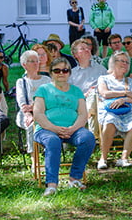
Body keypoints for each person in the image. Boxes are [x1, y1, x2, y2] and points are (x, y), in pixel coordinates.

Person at [32, 58, 96, 196]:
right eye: (57, 70)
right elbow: (38, 114)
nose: (61, 73)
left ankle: (74, 178)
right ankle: (52, 185)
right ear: (51, 73)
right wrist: (54, 128)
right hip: (46, 129)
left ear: (69, 73)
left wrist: (72, 129)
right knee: (52, 141)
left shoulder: (76, 91)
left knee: (88, 138)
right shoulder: (43, 90)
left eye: (65, 70)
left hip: (73, 129)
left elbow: (83, 114)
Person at [95, 52, 132, 170]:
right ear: (113, 63)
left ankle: (124, 158)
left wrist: (124, 99)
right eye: (121, 61)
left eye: (127, 62)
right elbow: (104, 93)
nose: (125, 64)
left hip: (128, 110)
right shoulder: (104, 78)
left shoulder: (131, 81)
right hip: (110, 110)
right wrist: (124, 94)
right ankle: (103, 158)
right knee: (110, 120)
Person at [14, 50, 51, 134]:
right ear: (24, 65)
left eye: (37, 61)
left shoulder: (46, 80)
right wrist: (28, 114)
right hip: (26, 113)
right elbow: (22, 101)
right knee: (32, 125)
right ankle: (31, 148)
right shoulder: (21, 82)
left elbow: (50, 98)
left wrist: (34, 106)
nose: (36, 64)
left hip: (45, 112)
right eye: (32, 61)